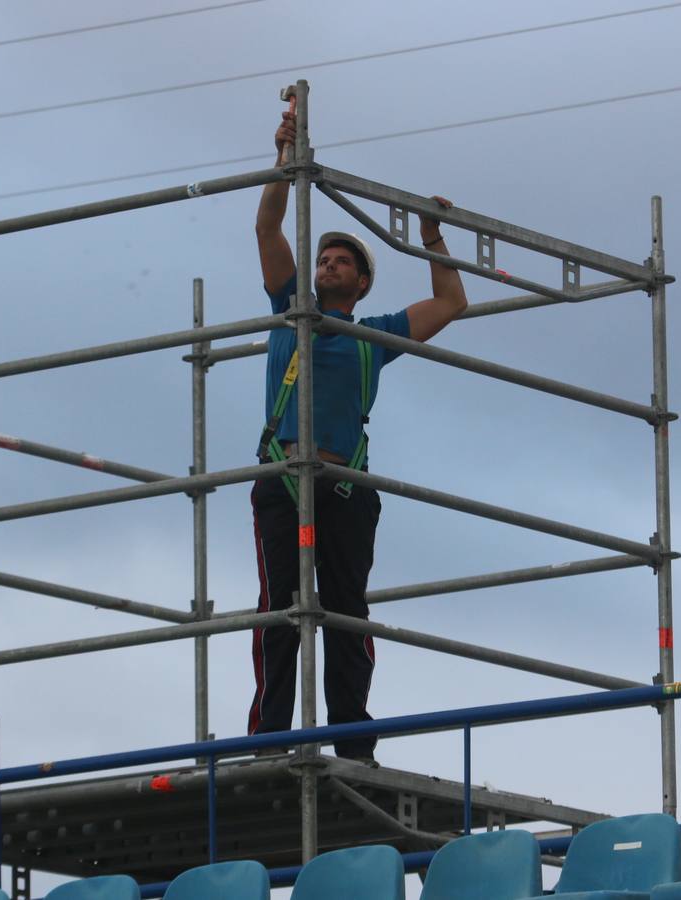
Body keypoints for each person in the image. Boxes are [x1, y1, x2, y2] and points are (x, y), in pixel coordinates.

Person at [247, 108, 468, 763]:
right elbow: (267, 225)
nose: (330, 265)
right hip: (283, 478)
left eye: (343, 261)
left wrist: (432, 236)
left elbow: (451, 303)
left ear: (363, 281)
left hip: (344, 484)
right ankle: (270, 741)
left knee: (345, 613)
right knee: (278, 613)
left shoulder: (377, 333)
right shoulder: (289, 308)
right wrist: (285, 163)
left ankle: (351, 740)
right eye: (325, 258)